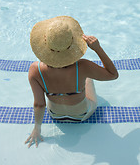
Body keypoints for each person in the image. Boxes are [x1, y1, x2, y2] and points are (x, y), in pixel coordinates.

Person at [25, 16, 118, 148]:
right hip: (81, 114)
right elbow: (113, 75)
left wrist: (37, 129)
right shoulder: (83, 67)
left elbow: (39, 105)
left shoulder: (35, 70)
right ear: (72, 44)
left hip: (55, 115)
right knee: (88, 78)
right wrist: (98, 48)